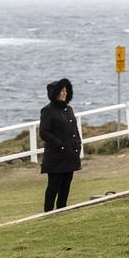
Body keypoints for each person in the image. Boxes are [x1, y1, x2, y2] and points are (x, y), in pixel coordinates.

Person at [38, 77, 81, 212]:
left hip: (70, 154)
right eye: (61, 91)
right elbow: (44, 132)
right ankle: (48, 212)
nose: (64, 93)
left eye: (65, 90)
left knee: (66, 184)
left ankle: (62, 209)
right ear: (54, 93)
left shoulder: (69, 109)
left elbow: (74, 129)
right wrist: (60, 144)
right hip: (56, 156)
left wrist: (77, 144)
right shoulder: (48, 110)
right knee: (54, 185)